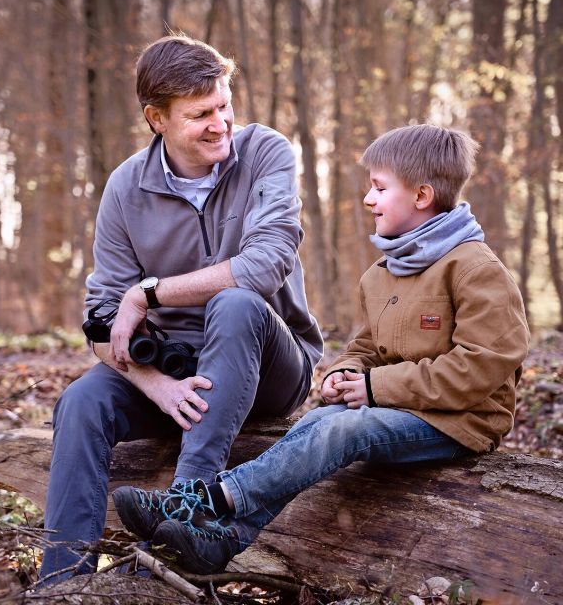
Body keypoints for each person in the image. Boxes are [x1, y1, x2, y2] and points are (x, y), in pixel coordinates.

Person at [113, 124, 530, 574]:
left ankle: (208, 498)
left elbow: (484, 363)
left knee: (341, 432)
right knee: (318, 420)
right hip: (400, 406)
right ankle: (224, 540)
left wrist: (375, 385)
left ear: (422, 195)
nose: (368, 199)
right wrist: (345, 373)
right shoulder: (384, 272)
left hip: (460, 421)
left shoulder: (474, 267)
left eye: (379, 188)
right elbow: (367, 345)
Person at [38, 34, 323, 584]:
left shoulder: (266, 153)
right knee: (82, 400)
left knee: (237, 303)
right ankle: (64, 584)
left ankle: (186, 503)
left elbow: (265, 265)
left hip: (268, 363)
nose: (220, 123)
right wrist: (154, 385)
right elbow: (100, 320)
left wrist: (147, 293)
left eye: (224, 106)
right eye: (200, 115)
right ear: (157, 119)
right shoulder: (125, 188)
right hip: (174, 372)